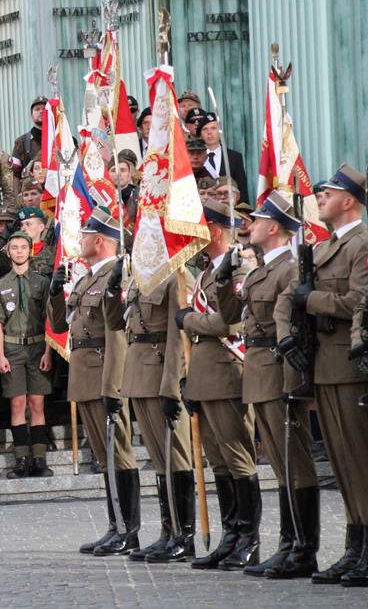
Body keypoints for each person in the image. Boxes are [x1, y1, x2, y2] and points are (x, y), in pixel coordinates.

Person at [213, 191, 319, 578]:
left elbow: (296, 327)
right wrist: (223, 280)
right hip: (258, 370)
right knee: (279, 462)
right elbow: (231, 314)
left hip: (278, 368)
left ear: (274, 228)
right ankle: (289, 544)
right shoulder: (259, 271)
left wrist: (295, 379)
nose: (249, 225)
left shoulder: (288, 270)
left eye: (256, 220)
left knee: (295, 462)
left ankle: (303, 548)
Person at [279, 164, 368, 586]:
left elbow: (358, 302)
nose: (321, 198)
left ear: (349, 200)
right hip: (324, 368)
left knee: (360, 460)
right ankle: (356, 545)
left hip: (350, 366)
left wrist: (311, 298)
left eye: (328, 194)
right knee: (342, 463)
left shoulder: (361, 245)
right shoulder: (322, 247)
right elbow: (290, 298)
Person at [48, 207, 139, 556]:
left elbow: (117, 335)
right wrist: (55, 294)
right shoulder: (87, 279)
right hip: (84, 374)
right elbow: (61, 325)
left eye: (86, 234)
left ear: (99, 240)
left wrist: (113, 385)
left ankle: (128, 530)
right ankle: (115, 525)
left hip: (104, 374)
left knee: (118, 454)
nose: (80, 239)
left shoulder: (116, 276)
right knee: (104, 456)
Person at [178, 200, 259, 571]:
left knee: (238, 457)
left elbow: (231, 322)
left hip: (228, 374)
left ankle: (249, 539)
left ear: (213, 228)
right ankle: (231, 535)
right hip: (205, 376)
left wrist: (189, 320)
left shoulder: (238, 266)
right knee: (219, 461)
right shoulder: (206, 271)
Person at [116, 269, 194, 564]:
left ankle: (184, 536)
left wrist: (172, 386)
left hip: (162, 374)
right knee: (160, 460)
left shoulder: (176, 277)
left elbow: (178, 337)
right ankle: (169, 531)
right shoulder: (140, 277)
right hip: (141, 373)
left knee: (176, 458)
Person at [0, 232, 53, 479]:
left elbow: (50, 319)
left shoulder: (42, 282)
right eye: (14, 247)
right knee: (17, 404)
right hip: (12, 348)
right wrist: (0, 355)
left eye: (23, 247)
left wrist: (48, 351)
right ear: (8, 252)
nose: (19, 251)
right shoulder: (1, 285)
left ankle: (39, 458)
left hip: (37, 347)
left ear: (31, 250)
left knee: (37, 403)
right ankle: (21, 459)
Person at [10, 96, 47, 174]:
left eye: (45, 109)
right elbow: (15, 174)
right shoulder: (21, 142)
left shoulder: (61, 139)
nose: (41, 111)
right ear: (31, 115)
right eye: (37, 109)